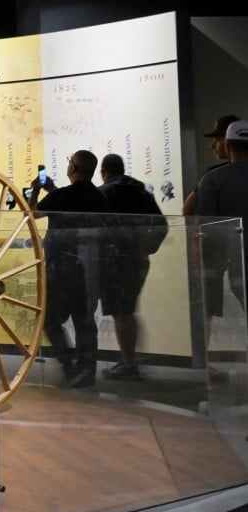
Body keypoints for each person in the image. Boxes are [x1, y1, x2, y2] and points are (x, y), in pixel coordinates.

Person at [28, 150, 109, 389]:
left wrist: (35, 190)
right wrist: (52, 190)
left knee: (49, 319)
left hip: (61, 267)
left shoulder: (63, 196)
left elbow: (32, 213)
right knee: (85, 320)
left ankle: (67, 364)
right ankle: (86, 370)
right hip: (89, 267)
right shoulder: (99, 198)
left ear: (73, 168)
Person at [97, 154, 166, 381]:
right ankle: (130, 360)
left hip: (113, 261)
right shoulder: (141, 192)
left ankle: (129, 363)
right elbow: (161, 225)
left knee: (121, 312)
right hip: (137, 259)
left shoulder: (104, 193)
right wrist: (147, 248)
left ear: (104, 172)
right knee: (128, 310)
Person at [194, 120, 248, 332]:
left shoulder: (213, 180)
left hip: (237, 263)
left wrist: (202, 264)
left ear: (228, 144)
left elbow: (205, 227)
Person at [183, 114, 240, 217]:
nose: (212, 146)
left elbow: (188, 210)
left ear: (227, 141)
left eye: (217, 140)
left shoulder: (214, 176)